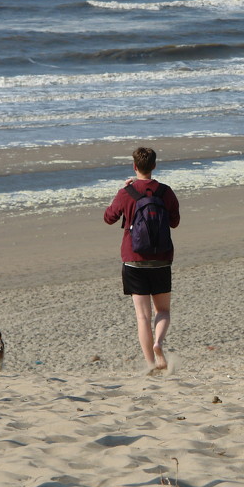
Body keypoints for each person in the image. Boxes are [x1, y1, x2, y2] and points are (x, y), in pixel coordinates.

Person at [103, 147, 181, 371]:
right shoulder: (165, 192)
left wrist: (122, 192)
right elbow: (174, 222)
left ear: (134, 166)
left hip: (133, 259)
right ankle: (159, 343)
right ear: (154, 166)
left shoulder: (126, 192)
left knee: (142, 317)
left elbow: (109, 217)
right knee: (163, 311)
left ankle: (150, 363)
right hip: (161, 259)